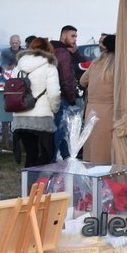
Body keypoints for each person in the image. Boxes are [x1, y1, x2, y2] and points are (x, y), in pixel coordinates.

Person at [11, 37, 61, 167]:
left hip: (20, 117)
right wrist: (55, 109)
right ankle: (38, 179)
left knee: (31, 154)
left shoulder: (18, 66)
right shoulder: (49, 66)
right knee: (45, 155)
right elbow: (54, 93)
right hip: (42, 117)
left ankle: (28, 179)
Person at [80, 34, 126, 163]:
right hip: (110, 111)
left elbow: (83, 81)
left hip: (92, 111)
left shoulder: (95, 63)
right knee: (110, 152)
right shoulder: (120, 64)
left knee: (94, 149)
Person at [50, 25, 78, 160]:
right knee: (60, 130)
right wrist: (72, 99)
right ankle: (51, 160)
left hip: (51, 95)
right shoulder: (63, 53)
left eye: (76, 36)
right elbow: (66, 79)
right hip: (61, 96)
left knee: (59, 129)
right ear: (63, 35)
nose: (75, 39)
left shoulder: (51, 51)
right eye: (72, 36)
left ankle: (66, 155)